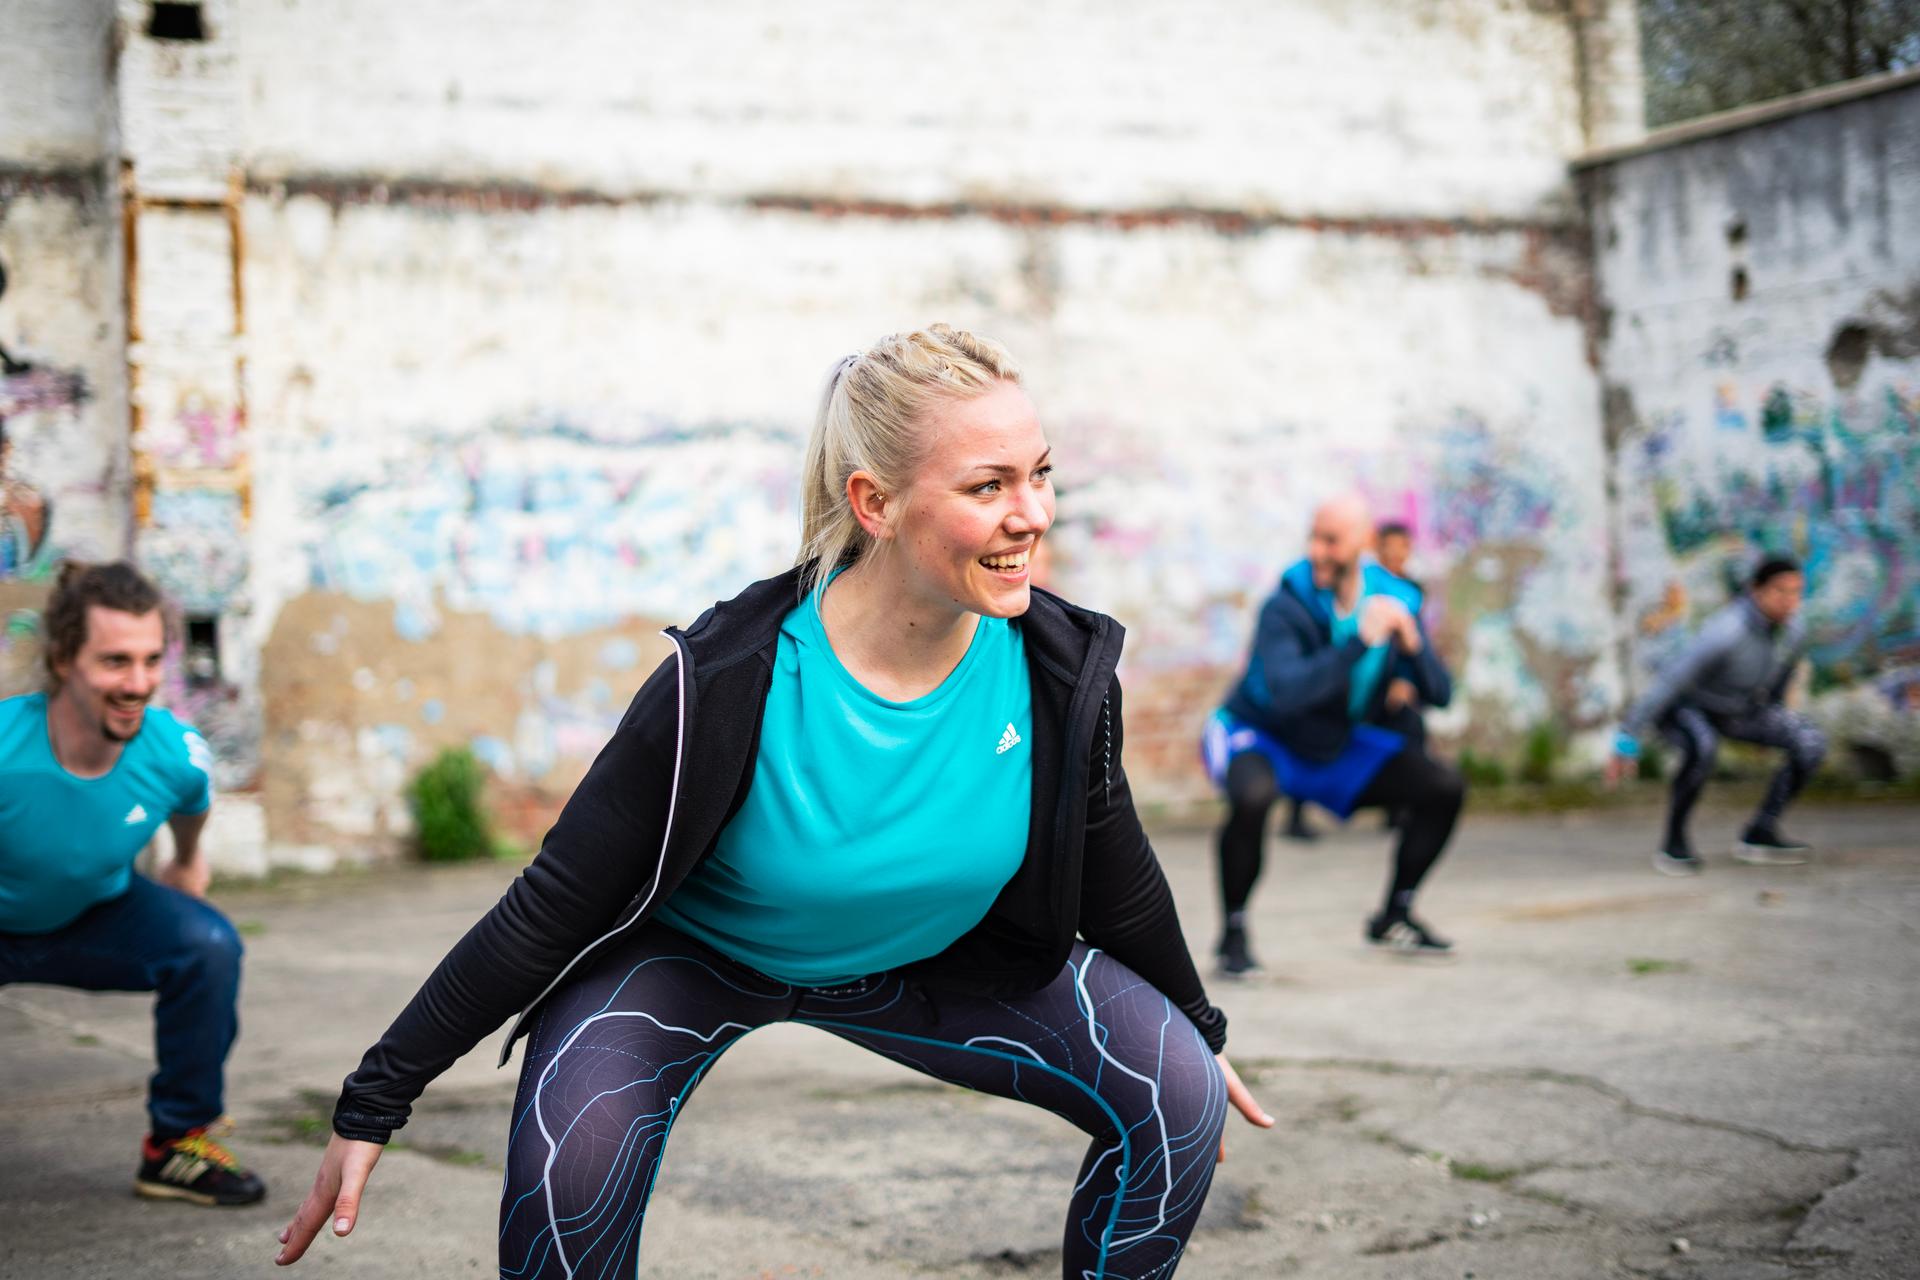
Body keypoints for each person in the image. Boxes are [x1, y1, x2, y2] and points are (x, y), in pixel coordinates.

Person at [276, 326, 1272, 1278]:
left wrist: (1197, 1029)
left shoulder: (1059, 666)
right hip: (695, 964)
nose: (1034, 512)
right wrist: (376, 1097)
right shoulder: (725, 678)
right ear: (875, 503)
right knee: (566, 1170)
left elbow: (1114, 861)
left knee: (1179, 1092)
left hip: (932, 961)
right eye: (989, 485)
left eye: (1040, 473)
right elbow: (554, 900)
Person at [0, 560, 265, 1206]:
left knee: (208, 945)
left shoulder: (172, 751)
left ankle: (176, 1146)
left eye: (152, 661)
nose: (139, 683)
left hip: (97, 915)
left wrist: (187, 860)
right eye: (116, 661)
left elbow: (193, 799)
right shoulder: (7, 747)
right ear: (64, 659)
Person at [1205, 495, 1462, 974]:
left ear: (1362, 544)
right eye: (1314, 537)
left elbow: (1441, 693)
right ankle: (1233, 935)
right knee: (1253, 797)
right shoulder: (1286, 604)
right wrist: (1359, 641)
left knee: (1442, 787)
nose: (1317, 550)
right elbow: (1289, 693)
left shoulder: (1395, 597)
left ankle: (1395, 915)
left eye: (1331, 540)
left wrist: (1411, 641)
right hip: (1261, 734)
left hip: (1331, 744)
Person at [1613, 556, 1826, 875]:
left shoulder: (1794, 629)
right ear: (1757, 591)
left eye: (1797, 592)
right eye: (1780, 591)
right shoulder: (1727, 631)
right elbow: (1670, 681)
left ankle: (1760, 833)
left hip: (1741, 710)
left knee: (1810, 742)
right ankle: (1674, 843)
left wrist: (1772, 720)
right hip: (1689, 708)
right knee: (1703, 748)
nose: (1790, 601)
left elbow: (1782, 677)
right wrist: (1628, 738)